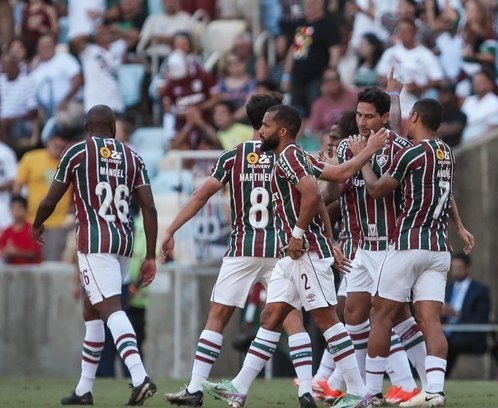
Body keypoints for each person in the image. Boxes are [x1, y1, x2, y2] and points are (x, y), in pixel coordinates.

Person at [161, 94, 387, 407]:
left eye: (266, 126)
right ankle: (240, 387)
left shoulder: (288, 156)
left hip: (303, 250)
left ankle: (359, 392)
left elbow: (311, 197)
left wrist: (297, 234)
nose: (260, 131)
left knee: (326, 320)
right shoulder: (293, 154)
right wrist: (367, 153)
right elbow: (337, 175)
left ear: (281, 130)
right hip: (285, 255)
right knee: (271, 316)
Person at [31, 105, 159, 406]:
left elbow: (52, 197)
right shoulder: (132, 156)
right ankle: (83, 389)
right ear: (113, 128)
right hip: (124, 241)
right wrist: (150, 254)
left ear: (87, 127)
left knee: (111, 308)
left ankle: (140, 377)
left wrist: (37, 222)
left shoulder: (77, 152)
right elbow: (149, 208)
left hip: (95, 241)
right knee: (92, 312)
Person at [355, 98, 474, 407]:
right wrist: (459, 227)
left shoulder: (411, 154)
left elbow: (377, 189)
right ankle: (434, 390)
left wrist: (363, 158)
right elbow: (446, 197)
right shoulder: (447, 153)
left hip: (409, 243)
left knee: (381, 314)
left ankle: (371, 393)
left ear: (417, 117)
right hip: (440, 248)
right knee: (431, 321)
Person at [322, 87, 426, 405]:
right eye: (358, 115)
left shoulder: (400, 149)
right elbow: (333, 195)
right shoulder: (346, 148)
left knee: (390, 315)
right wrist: (324, 178)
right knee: (355, 314)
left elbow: (381, 191)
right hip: (363, 247)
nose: (362, 122)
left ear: (385, 117)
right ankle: (418, 384)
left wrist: (359, 158)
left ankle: (390, 388)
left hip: (392, 244)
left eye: (369, 116)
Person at [13, 132, 73, 261]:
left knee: (52, 263)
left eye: (61, 145)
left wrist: (70, 213)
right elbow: (17, 186)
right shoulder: (31, 157)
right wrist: (16, 209)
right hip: (31, 220)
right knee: (27, 262)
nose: (57, 147)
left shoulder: (69, 163)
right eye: (55, 143)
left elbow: (74, 193)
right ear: (49, 141)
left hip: (58, 223)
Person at [442, 253, 490, 378]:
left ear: (468, 268)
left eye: (459, 267)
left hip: (468, 336)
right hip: (445, 333)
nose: (456, 271)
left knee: (446, 346)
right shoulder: (446, 288)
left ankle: (439, 381)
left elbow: (481, 317)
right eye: (454, 267)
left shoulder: (480, 290)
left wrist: (457, 314)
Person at [0, 195, 42, 265]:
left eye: (20, 207)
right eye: (13, 207)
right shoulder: (5, 232)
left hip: (31, 272)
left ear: (26, 209)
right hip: (12, 273)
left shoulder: (33, 230)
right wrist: (7, 254)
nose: (16, 210)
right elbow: (3, 254)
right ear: (10, 210)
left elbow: (34, 254)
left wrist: (16, 252)